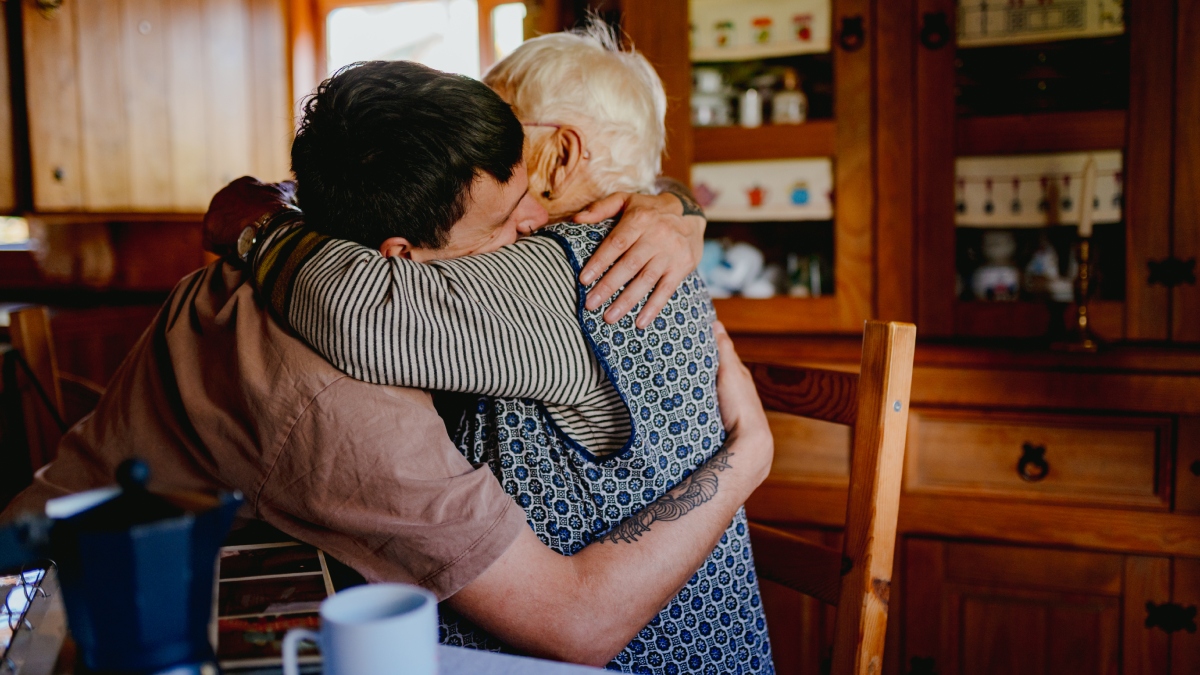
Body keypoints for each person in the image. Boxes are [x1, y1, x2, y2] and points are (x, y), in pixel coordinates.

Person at [1, 52, 776, 670]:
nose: (535, 220)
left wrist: (671, 201)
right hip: (63, 624)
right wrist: (748, 458)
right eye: (506, 221)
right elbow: (577, 622)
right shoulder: (347, 397)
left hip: (111, 575)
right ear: (401, 259)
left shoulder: (318, 233)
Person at [232, 31, 774, 674]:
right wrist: (675, 198)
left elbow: (357, 306)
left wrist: (259, 224)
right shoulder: (631, 241)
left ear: (561, 154)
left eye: (506, 127)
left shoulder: (565, 273)